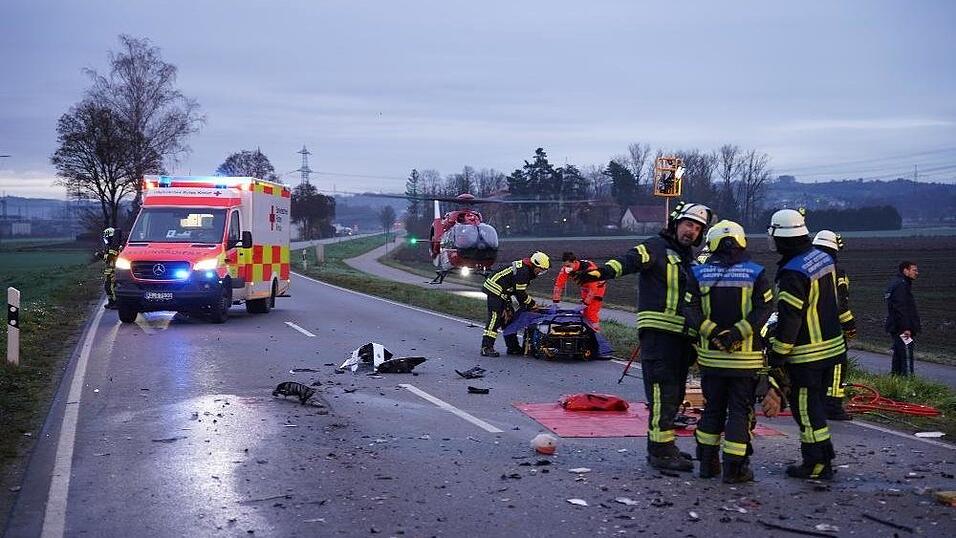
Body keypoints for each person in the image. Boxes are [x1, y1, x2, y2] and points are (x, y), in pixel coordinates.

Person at [577, 201, 713, 471]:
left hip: (682, 337)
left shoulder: (688, 259)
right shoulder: (655, 247)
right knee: (663, 393)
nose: (692, 232)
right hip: (660, 334)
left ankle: (666, 445)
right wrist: (600, 272)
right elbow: (628, 261)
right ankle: (660, 452)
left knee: (675, 394)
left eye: (698, 228)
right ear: (676, 224)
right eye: (688, 224)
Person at [685, 220, 773, 483]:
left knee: (712, 409)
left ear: (712, 243)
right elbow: (764, 310)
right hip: (745, 359)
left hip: (711, 359)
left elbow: (689, 310)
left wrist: (713, 333)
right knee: (739, 410)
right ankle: (735, 469)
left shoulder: (699, 273)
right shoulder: (756, 272)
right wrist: (737, 334)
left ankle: (707, 464)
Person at [766, 209, 846, 480]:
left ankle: (816, 464)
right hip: (832, 348)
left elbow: (790, 320)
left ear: (781, 238)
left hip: (807, 354)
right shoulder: (822, 257)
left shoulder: (792, 273)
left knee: (806, 411)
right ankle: (824, 457)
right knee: (817, 407)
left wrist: (778, 354)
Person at [812, 230, 855, 420]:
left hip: (810, 327)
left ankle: (817, 403)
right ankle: (833, 406)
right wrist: (850, 326)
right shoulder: (838, 272)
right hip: (832, 328)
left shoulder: (806, 268)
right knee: (838, 365)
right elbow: (840, 304)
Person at [480, 252, 550, 357]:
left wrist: (527, 304)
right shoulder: (524, 272)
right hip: (494, 290)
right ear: (535, 265)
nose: (541, 272)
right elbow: (520, 294)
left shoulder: (527, 270)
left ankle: (513, 348)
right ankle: (486, 347)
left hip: (504, 292)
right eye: (541, 269)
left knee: (509, 319)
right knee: (495, 318)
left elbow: (519, 294)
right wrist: (532, 304)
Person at [551, 252, 607, 331]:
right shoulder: (566, 269)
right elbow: (558, 285)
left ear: (574, 262)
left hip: (598, 288)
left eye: (568, 266)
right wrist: (555, 303)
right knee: (585, 313)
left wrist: (584, 304)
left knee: (591, 312)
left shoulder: (589, 269)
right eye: (564, 266)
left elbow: (593, 290)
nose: (566, 268)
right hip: (585, 287)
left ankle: (596, 332)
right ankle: (586, 329)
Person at [885, 261, 921, 376]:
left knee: (898, 356)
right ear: (905, 270)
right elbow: (901, 308)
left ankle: (895, 382)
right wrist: (906, 327)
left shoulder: (897, 283)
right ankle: (908, 386)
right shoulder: (901, 285)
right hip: (902, 329)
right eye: (914, 270)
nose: (917, 273)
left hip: (896, 326)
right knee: (906, 356)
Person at [98, 227, 122, 310]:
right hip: (109, 271)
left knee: (112, 287)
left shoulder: (115, 247)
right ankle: (111, 302)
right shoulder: (110, 247)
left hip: (114, 271)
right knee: (107, 287)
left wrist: (101, 255)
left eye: (107, 239)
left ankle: (117, 303)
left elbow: (110, 258)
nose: (106, 241)